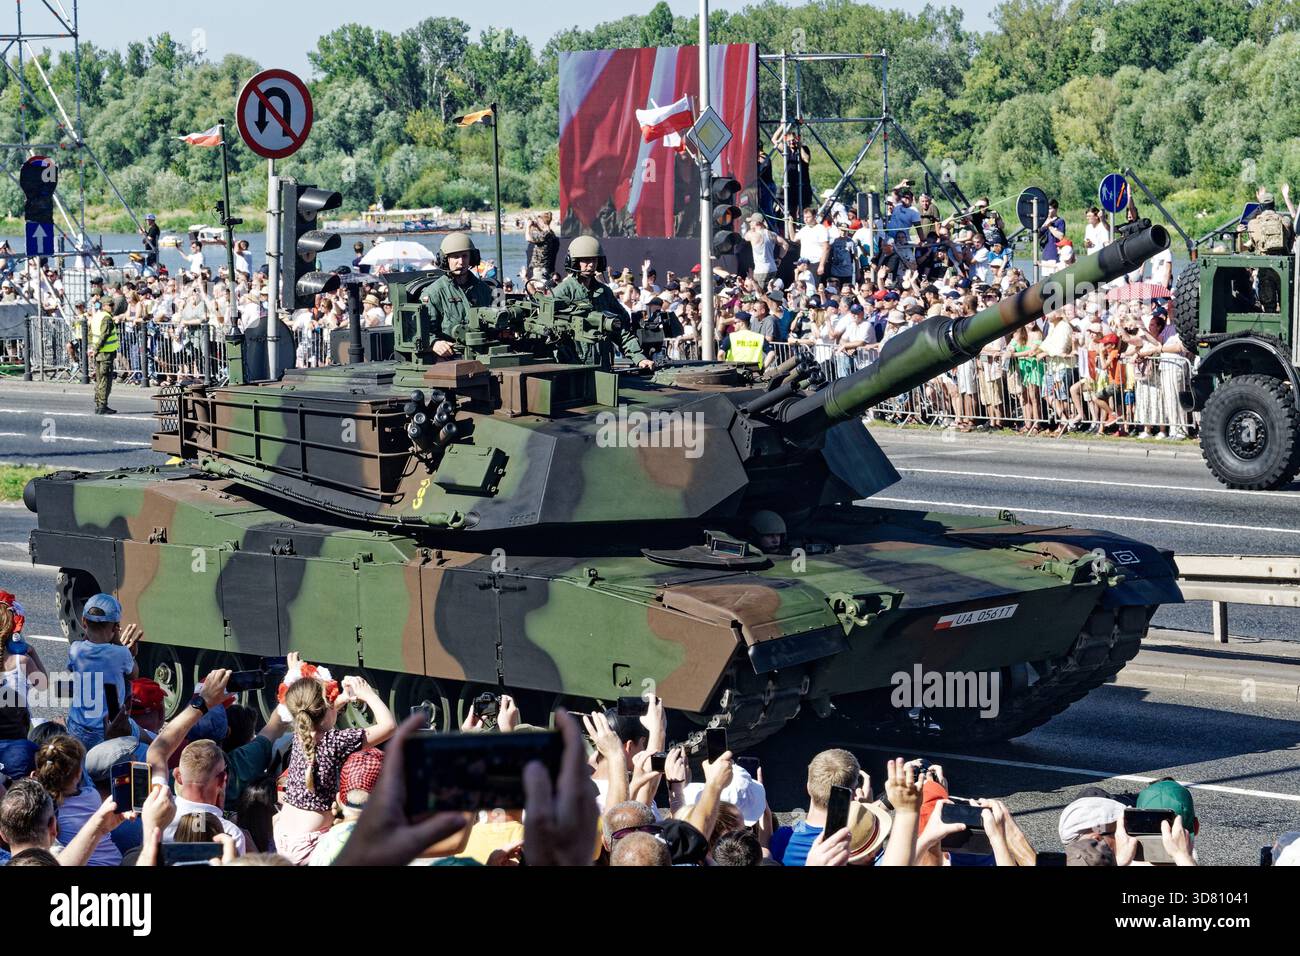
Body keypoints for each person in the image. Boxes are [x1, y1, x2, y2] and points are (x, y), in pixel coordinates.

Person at [274, 669, 396, 865]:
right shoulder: (336, 741)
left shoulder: (301, 731)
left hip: (284, 835)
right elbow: (389, 726)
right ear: (325, 710)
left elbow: (319, 713)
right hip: (311, 844)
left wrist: (342, 699)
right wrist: (368, 694)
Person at [551, 236, 653, 370]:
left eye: (594, 260)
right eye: (586, 260)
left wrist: (639, 358)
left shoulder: (604, 292)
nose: (591, 264)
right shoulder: (562, 292)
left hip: (603, 366)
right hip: (572, 368)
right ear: (574, 262)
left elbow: (620, 329)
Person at [66, 594, 141, 751]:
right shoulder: (121, 653)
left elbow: (70, 670)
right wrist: (125, 649)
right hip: (107, 729)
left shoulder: (75, 649)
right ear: (115, 628)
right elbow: (133, 675)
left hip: (76, 725)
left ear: (83, 621)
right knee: (142, 736)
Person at [425, 233, 495, 358]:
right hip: (451, 356)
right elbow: (421, 329)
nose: (461, 262)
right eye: (455, 257)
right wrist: (434, 343)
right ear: (445, 260)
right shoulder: (434, 292)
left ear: (472, 258)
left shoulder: (484, 290)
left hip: (483, 353)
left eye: (464, 256)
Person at [87, 297, 119, 415]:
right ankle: (102, 405)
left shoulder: (97, 316)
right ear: (104, 306)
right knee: (105, 380)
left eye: (112, 305)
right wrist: (95, 349)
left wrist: (91, 347)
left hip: (99, 353)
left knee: (99, 379)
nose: (112, 307)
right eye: (110, 305)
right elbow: (104, 335)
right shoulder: (106, 318)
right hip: (105, 353)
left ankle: (99, 403)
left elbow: (90, 333)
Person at [527, 211, 559, 280]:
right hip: (545, 268)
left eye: (539, 221)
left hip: (539, 268)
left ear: (542, 222)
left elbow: (528, 238)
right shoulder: (551, 233)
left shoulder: (544, 235)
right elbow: (544, 233)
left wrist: (528, 226)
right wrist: (537, 227)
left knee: (535, 287)